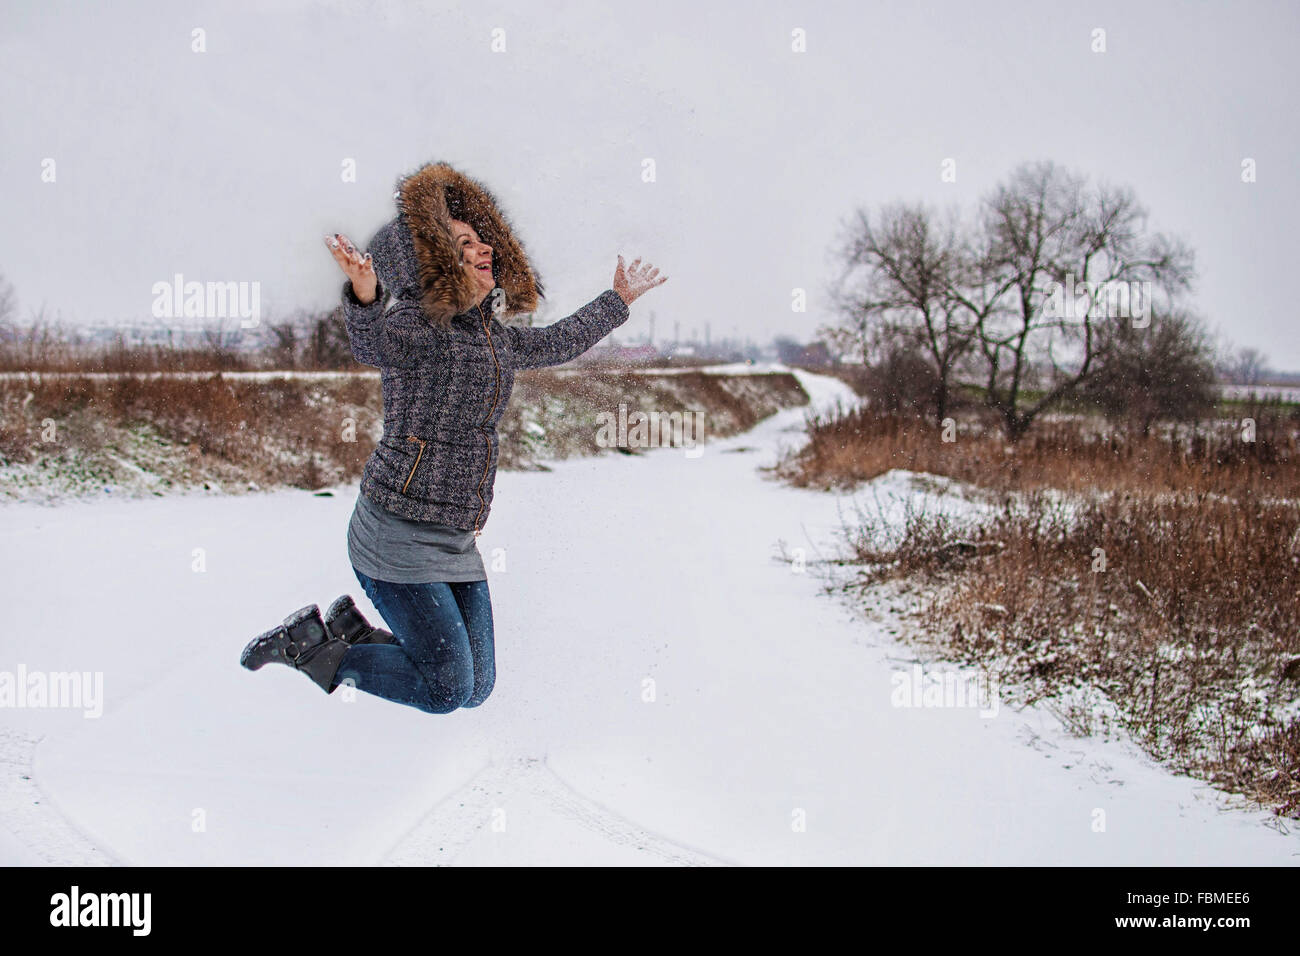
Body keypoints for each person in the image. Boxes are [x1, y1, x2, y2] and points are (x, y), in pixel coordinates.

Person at [239, 161, 667, 713]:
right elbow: (373, 346)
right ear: (435, 260)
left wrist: (617, 301)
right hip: (396, 532)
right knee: (444, 690)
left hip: (457, 535)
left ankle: (354, 635)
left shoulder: (494, 339)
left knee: (476, 688)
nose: (484, 246)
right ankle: (314, 647)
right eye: (465, 241)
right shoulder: (417, 327)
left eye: (484, 237)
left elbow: (559, 341)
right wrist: (366, 293)